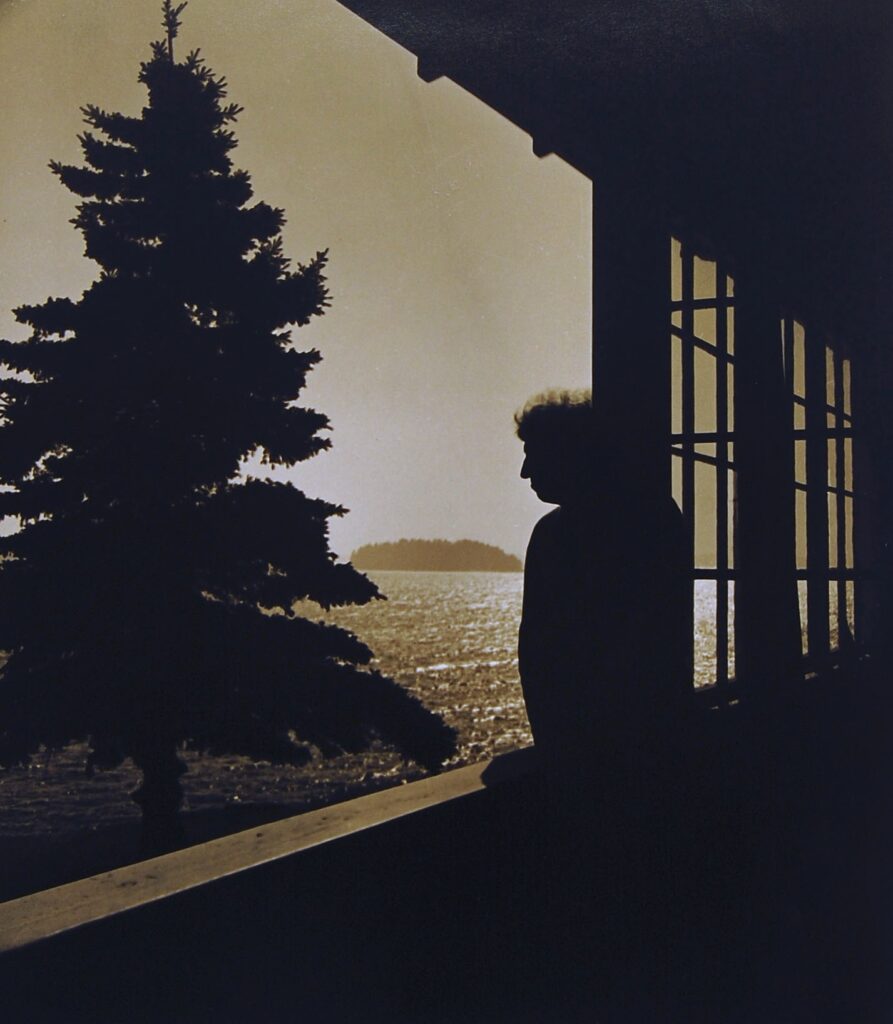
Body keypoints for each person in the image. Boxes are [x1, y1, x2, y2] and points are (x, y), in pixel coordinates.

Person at [515, 388, 691, 782]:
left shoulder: (550, 536)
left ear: (567, 452)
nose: (525, 471)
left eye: (533, 453)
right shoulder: (656, 515)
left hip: (599, 757)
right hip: (653, 749)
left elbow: (537, 652)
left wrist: (555, 744)